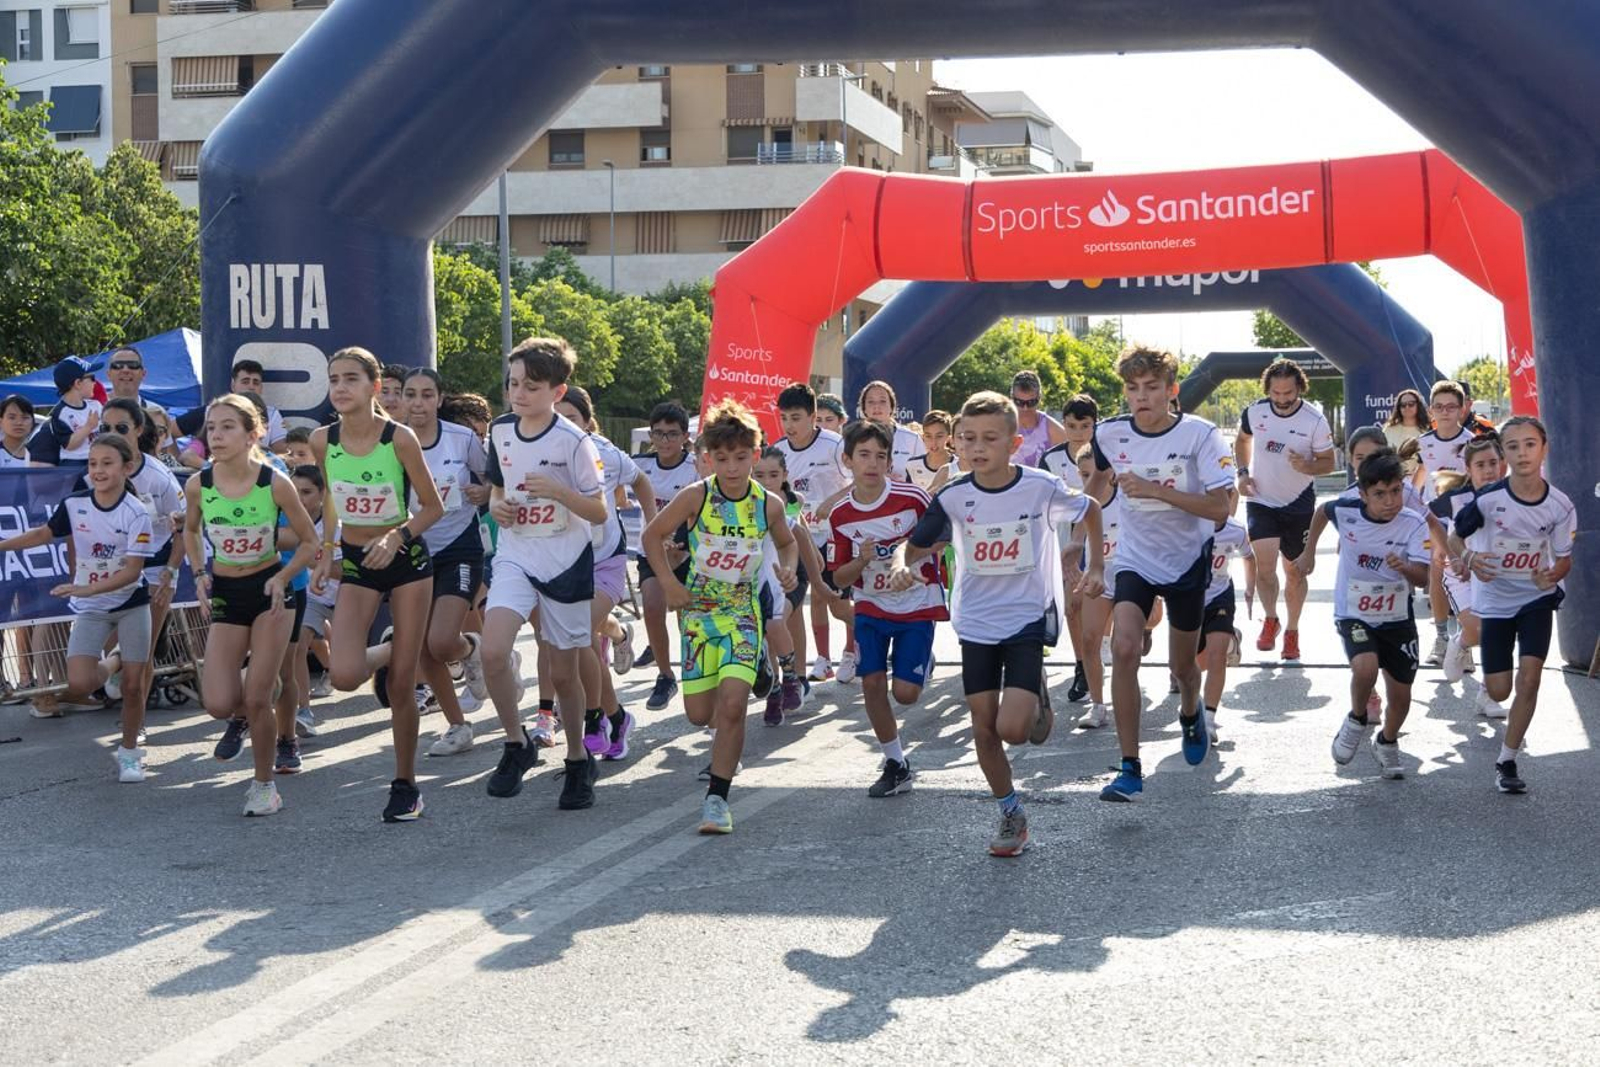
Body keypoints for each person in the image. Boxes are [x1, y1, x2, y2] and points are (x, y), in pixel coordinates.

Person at [896, 391, 1104, 855]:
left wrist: (1094, 567)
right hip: (975, 623)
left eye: (990, 438)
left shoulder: (1039, 487)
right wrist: (900, 564)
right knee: (983, 729)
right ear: (955, 444)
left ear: (1014, 443)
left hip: (1025, 618)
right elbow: (915, 544)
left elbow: (1090, 509)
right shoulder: (951, 496)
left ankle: (1036, 697)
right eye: (967, 438)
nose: (977, 447)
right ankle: (1011, 813)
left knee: (1013, 729)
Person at [643, 400, 798, 834]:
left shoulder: (767, 504)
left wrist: (786, 568)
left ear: (756, 452)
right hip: (698, 616)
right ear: (709, 457)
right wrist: (671, 585)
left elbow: (787, 543)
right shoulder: (697, 496)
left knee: (732, 706)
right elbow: (651, 535)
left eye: (742, 457)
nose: (732, 468)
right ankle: (761, 670)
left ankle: (717, 799)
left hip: (742, 615)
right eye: (723, 458)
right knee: (698, 714)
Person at [1087, 348, 1234, 802]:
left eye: (1152, 388)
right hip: (1135, 558)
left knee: (1184, 668)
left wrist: (1157, 491)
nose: (1141, 397)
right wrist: (1080, 540)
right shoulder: (1108, 433)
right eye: (1132, 389)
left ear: (1172, 391)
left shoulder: (1201, 435)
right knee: (1125, 647)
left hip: (1188, 560)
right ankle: (1129, 767)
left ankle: (1191, 713)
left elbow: (1220, 508)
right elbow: (1095, 485)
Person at [310, 348, 444, 822]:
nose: (341, 387)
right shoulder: (322, 440)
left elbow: (432, 507)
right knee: (345, 676)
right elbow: (330, 496)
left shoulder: (399, 438)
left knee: (402, 686)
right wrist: (327, 550)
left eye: (351, 378)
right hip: (357, 562)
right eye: (334, 379)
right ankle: (392, 648)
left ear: (373, 386)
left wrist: (397, 534)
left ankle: (406, 784)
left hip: (405, 559)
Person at [479, 337, 608, 810]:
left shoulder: (575, 442)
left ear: (557, 391)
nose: (518, 394)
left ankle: (577, 760)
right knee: (493, 651)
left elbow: (598, 511)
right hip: (516, 554)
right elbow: (496, 494)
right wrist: (500, 510)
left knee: (563, 672)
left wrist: (559, 492)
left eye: (530, 386)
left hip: (566, 561)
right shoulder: (500, 431)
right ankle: (517, 745)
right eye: (513, 384)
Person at [183, 395, 318, 814]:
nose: (216, 435)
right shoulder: (197, 484)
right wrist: (200, 573)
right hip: (226, 589)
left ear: (252, 434)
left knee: (257, 697)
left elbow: (310, 542)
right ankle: (266, 687)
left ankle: (264, 785)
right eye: (212, 427)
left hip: (269, 591)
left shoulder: (274, 482)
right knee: (219, 703)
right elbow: (190, 532)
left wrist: (281, 576)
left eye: (227, 427)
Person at [0, 435, 154, 778]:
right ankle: (114, 661)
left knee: (132, 685)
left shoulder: (136, 512)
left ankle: (130, 752)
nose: (97, 470)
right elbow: (43, 534)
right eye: (92, 463)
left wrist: (85, 588)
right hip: (92, 606)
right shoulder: (75, 504)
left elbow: (132, 572)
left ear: (127, 468)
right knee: (79, 684)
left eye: (107, 463)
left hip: (131, 603)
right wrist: (3, 545)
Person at [1446, 416, 1574, 794]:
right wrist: (1469, 560)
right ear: (1504, 453)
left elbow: (1565, 557)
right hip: (1495, 603)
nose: (1522, 453)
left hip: (1535, 599)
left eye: (1530, 444)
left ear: (1544, 449)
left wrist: (1551, 573)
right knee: (1500, 690)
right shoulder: (1487, 501)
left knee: (1530, 679)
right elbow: (1455, 540)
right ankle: (1462, 641)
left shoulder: (1560, 505)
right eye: (1513, 446)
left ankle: (1507, 760)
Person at [827, 420, 947, 796]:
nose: (873, 463)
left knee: (906, 694)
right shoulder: (840, 516)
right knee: (873, 683)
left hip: (916, 602)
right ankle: (896, 763)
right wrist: (861, 562)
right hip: (871, 606)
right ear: (848, 460)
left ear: (890, 461)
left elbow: (941, 540)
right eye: (864, 455)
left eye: (881, 456)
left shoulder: (912, 499)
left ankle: (922, 662)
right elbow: (839, 578)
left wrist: (905, 558)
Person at [1295, 451, 1431, 778]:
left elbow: (1424, 578)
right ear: (1363, 495)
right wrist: (1308, 553)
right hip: (1353, 610)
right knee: (1365, 666)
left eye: (1396, 491)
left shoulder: (1414, 523)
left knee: (1400, 694)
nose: (1390, 501)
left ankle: (1387, 740)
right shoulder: (1346, 511)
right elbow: (1321, 512)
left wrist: (1406, 568)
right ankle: (1357, 718)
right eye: (1380, 494)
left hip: (1397, 616)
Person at [391, 367, 491, 759]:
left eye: (426, 395)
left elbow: (492, 482)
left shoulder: (462, 439)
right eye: (409, 394)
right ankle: (458, 726)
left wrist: (483, 492)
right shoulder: (391, 439)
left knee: (440, 641)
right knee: (422, 650)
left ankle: (469, 648)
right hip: (411, 548)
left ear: (439, 399)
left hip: (458, 545)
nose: (417, 403)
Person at [552, 385, 653, 760]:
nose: (563, 426)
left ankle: (595, 719)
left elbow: (641, 480)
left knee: (579, 633)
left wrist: (649, 528)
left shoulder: (606, 454)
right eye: (556, 417)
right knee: (582, 642)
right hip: (560, 562)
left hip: (604, 561)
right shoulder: (538, 451)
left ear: (587, 422)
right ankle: (617, 715)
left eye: (571, 419)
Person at [1234, 357, 1336, 663]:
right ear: (1268, 390)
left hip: (1298, 502)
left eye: (1288, 394)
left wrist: (1307, 465)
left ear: (1299, 389)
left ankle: (1292, 630)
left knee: (1294, 571)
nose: (1281, 400)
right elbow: (1242, 440)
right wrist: (1242, 473)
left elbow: (1329, 463)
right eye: (1276, 394)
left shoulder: (1314, 420)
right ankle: (1270, 618)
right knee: (1265, 567)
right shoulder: (1254, 411)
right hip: (1260, 499)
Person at [92, 400, 185, 699]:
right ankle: (123, 695)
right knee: (116, 648)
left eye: (121, 428)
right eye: (105, 428)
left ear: (139, 430)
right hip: (116, 567)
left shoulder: (159, 477)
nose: (112, 434)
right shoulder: (95, 471)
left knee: (140, 650)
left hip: (157, 565)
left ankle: (137, 721)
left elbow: (185, 528)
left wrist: (171, 570)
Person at [773, 382, 855, 684]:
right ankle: (818, 662)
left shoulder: (835, 445)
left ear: (813, 416)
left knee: (836, 604)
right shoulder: (778, 451)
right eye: (784, 418)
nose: (789, 425)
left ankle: (864, 640)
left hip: (835, 536)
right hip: (799, 537)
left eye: (796, 417)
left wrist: (832, 502)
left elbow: (860, 480)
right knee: (801, 602)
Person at [750, 447, 830, 727]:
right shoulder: (744, 502)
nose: (767, 480)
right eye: (759, 474)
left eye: (773, 475)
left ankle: (792, 678)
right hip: (755, 577)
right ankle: (773, 690)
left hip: (791, 573)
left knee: (775, 624)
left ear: (785, 475)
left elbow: (801, 536)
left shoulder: (788, 504)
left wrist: (817, 576)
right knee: (761, 635)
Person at [1431, 435, 1509, 717]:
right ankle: (1460, 642)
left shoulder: (1510, 493)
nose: (1489, 470)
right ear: (1468, 469)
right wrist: (1445, 551)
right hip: (1460, 573)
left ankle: (1488, 696)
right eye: (1481, 465)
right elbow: (1428, 518)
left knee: (1498, 633)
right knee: (1478, 629)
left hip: (1496, 572)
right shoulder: (1455, 499)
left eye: (1493, 463)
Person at [631, 400, 701, 710]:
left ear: (686, 436)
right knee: (652, 604)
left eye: (672, 435)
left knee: (689, 616)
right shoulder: (639, 465)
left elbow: (704, 506)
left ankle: (696, 670)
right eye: (658, 434)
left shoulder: (696, 466)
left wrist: (680, 541)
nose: (664, 441)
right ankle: (664, 675)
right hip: (652, 549)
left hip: (690, 551)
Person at [1039, 393, 1101, 701]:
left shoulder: (1107, 456)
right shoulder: (1050, 460)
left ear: (1095, 425)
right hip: (1068, 542)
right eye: (1072, 425)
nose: (1078, 432)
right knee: (1073, 607)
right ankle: (1082, 667)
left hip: (1105, 540)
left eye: (1085, 425)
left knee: (1106, 610)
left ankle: (1101, 651)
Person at [1416, 380, 1476, 665]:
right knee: (1436, 572)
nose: (1445, 411)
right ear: (1431, 410)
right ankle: (1441, 637)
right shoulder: (1423, 443)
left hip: (1464, 518)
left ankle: (1466, 639)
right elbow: (1417, 481)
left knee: (1463, 575)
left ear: (1462, 409)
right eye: (1439, 406)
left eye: (1451, 406)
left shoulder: (1473, 442)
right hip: (1435, 516)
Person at [1198, 493, 1251, 744]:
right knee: (1189, 665)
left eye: (1224, 496)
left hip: (1220, 596)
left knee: (1216, 657)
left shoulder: (1236, 530)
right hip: (1188, 597)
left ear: (1231, 499)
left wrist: (1251, 588)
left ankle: (1208, 718)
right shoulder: (1188, 524)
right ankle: (1233, 641)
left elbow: (1249, 556)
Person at [103, 347, 176, 462]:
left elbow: (166, 453)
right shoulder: (92, 409)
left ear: (143, 373)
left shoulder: (157, 412)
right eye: (118, 365)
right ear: (108, 374)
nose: (125, 370)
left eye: (133, 365)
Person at [29, 357, 103, 467]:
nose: (95, 382)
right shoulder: (60, 413)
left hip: (98, 457)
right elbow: (69, 444)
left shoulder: (96, 405)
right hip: (75, 461)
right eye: (92, 378)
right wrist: (88, 427)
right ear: (78, 383)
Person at [856, 380, 920, 479]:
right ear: (864, 408)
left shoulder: (912, 439)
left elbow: (922, 476)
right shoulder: (853, 439)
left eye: (882, 401)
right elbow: (847, 476)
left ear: (891, 407)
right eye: (871, 402)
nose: (876, 406)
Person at [1008, 369, 1069, 468]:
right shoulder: (1001, 425)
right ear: (1012, 398)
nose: (1025, 408)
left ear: (1039, 398)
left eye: (1031, 402)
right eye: (1019, 402)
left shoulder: (1051, 429)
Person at [1383, 388, 1430, 475]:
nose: (1407, 407)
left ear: (1418, 405)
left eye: (1411, 404)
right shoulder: (1389, 429)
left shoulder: (1427, 430)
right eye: (1403, 405)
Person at [905, 409, 953, 492]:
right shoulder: (912, 465)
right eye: (928, 436)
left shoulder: (959, 465)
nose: (933, 442)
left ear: (948, 438)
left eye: (939, 436)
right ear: (923, 437)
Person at [2, 394, 37, 467]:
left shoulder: (41, 454)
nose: (19, 423)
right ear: (1, 422)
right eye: (12, 417)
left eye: (25, 417)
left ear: (32, 422)